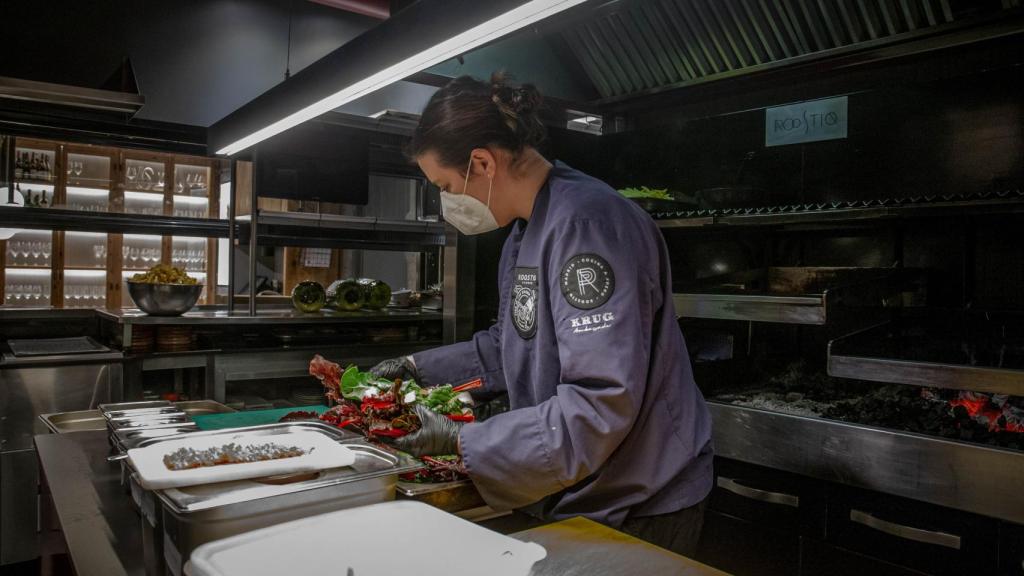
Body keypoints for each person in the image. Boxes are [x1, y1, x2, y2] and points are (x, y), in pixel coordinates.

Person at [371, 74, 713, 556]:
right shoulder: (529, 228)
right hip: (584, 486)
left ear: (482, 163)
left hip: (638, 498)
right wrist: (416, 369)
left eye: (445, 185)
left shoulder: (587, 225)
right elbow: (511, 342)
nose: (447, 200)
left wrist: (462, 440)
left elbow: (601, 402)